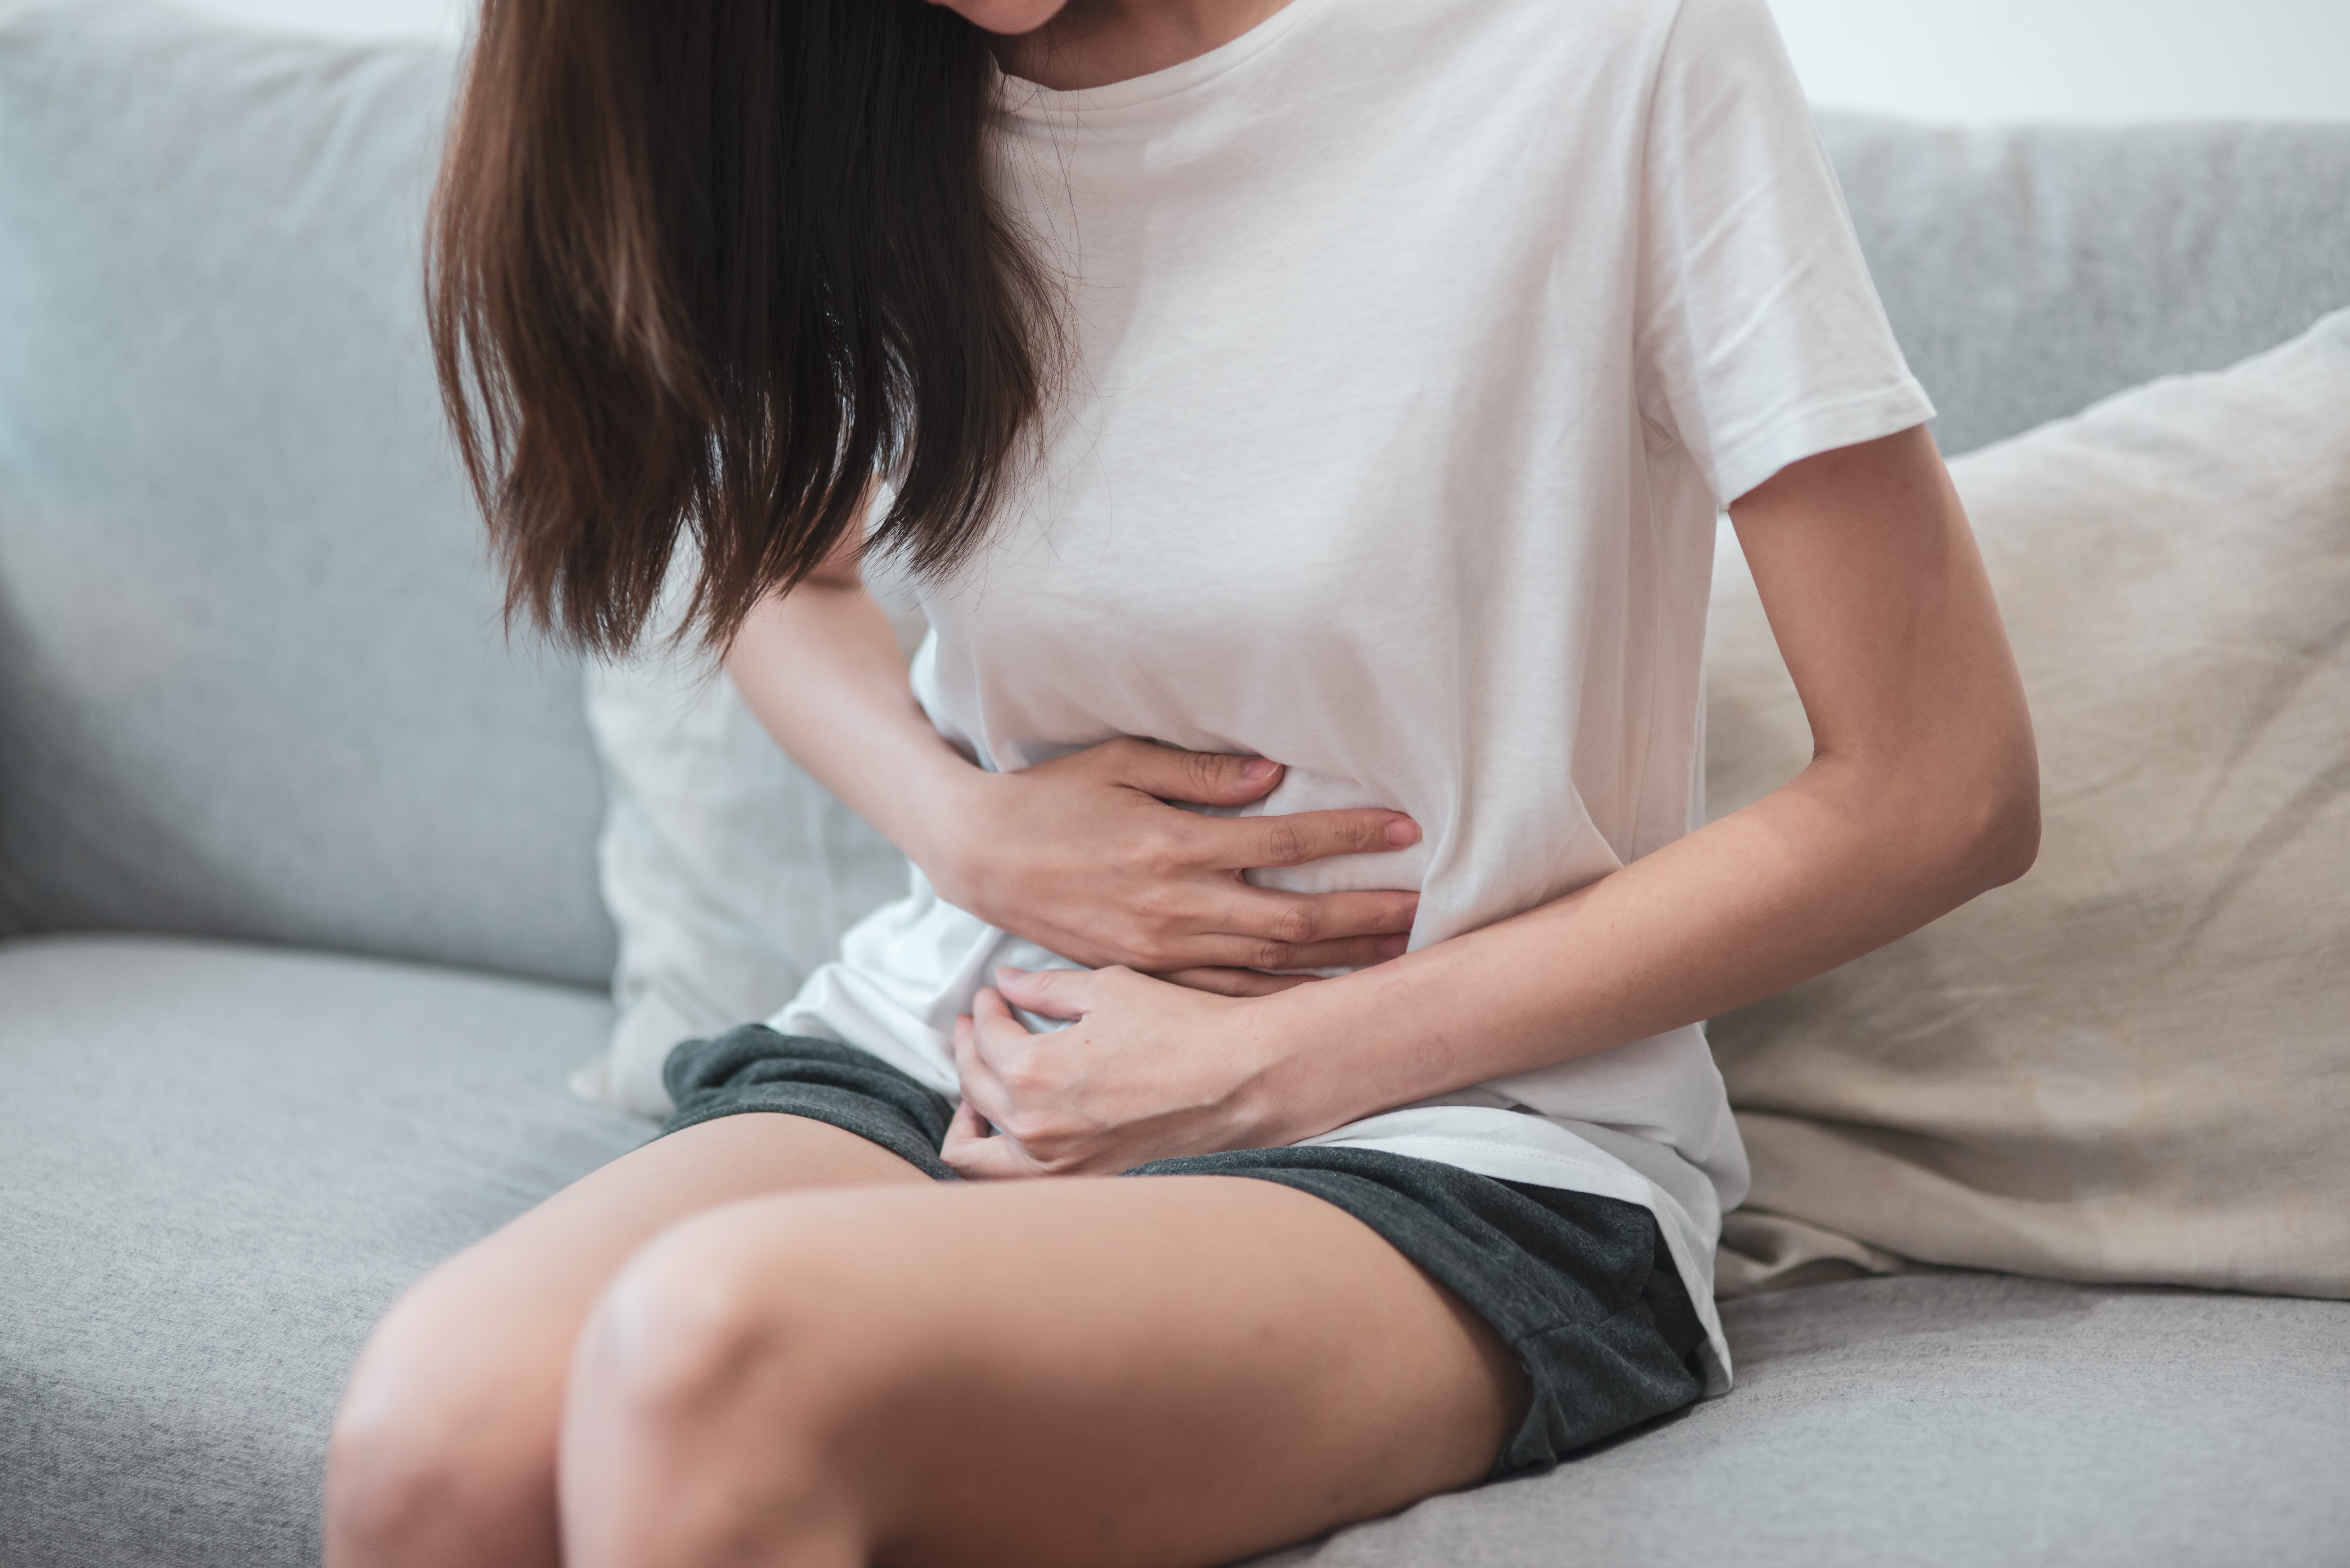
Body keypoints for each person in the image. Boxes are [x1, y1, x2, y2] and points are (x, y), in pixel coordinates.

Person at [324, 0, 2039, 1564]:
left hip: (1467, 1137)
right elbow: (775, 559)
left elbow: (1939, 785)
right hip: (976, 1046)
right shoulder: (874, 79)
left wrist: (1253, 1066)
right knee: (435, 1435)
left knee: (713, 1358)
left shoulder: (1614, 50)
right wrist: (966, 823)